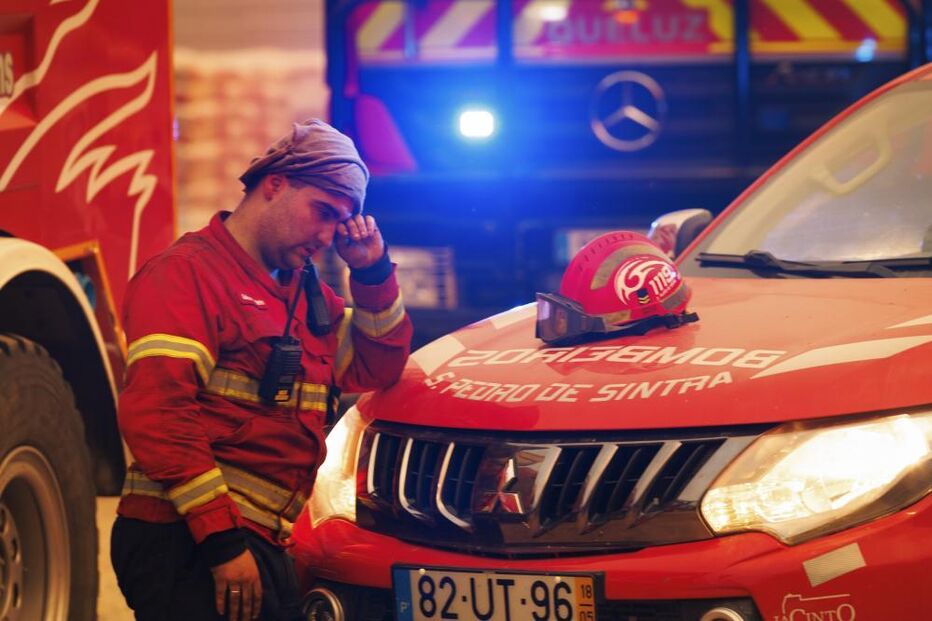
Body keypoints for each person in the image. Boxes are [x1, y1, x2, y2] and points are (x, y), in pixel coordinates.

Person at [111, 119, 412, 620]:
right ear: (274, 185)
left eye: (338, 222)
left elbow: (378, 366)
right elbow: (159, 415)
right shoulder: (187, 274)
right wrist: (223, 545)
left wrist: (372, 272)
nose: (324, 235)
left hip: (258, 539)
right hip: (185, 539)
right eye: (321, 212)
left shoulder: (306, 296)